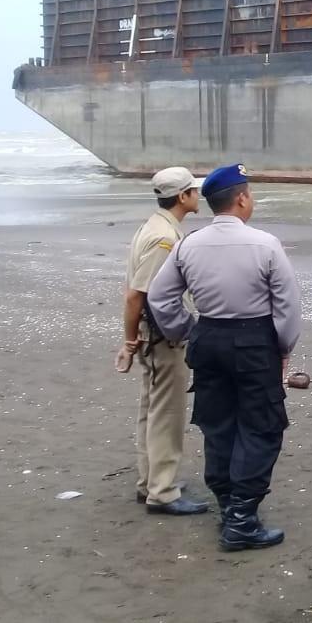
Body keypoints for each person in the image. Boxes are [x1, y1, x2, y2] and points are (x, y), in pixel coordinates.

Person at [148, 163, 301, 551]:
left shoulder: (188, 244)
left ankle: (228, 506)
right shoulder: (265, 244)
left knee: (219, 425)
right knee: (261, 428)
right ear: (243, 198)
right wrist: (282, 347)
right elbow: (286, 308)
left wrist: (186, 329)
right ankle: (242, 520)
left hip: (209, 336)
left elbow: (160, 297)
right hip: (254, 341)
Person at [115, 166, 209, 516]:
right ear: (183, 197)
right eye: (193, 191)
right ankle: (163, 491)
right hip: (162, 338)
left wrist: (132, 339)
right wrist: (129, 342)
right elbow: (139, 296)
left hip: (151, 335)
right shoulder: (164, 238)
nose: (197, 196)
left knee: (151, 409)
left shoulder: (155, 227)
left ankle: (149, 481)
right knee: (166, 414)